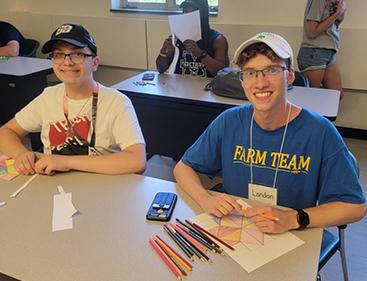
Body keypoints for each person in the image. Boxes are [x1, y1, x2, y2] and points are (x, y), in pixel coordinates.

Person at [174, 32, 365, 234]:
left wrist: (293, 218)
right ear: (242, 80)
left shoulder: (320, 132)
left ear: (289, 75)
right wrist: (206, 199)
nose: (260, 83)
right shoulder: (229, 122)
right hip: (237, 228)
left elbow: (354, 207)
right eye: (250, 72)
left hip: (292, 232)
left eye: (272, 70)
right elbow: (182, 168)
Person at [0, 23, 146, 176]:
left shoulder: (115, 102)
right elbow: (6, 131)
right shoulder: (48, 97)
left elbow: (136, 160)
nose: (67, 62)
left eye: (77, 54)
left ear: (95, 63)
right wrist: (20, 154)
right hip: (53, 184)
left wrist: (66, 162)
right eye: (58, 55)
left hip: (100, 186)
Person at [156, 0, 229, 77]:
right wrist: (163, 52)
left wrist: (201, 54)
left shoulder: (217, 40)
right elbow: (161, 69)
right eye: (185, 12)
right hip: (181, 85)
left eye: (192, 13)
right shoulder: (178, 36)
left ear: (202, 14)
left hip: (207, 86)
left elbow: (222, 74)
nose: (187, 16)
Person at [297, 0, 346, 99]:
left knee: (336, 96)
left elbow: (335, 24)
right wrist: (336, 14)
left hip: (329, 51)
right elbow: (311, 32)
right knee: (311, 98)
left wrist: (341, 12)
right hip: (314, 52)